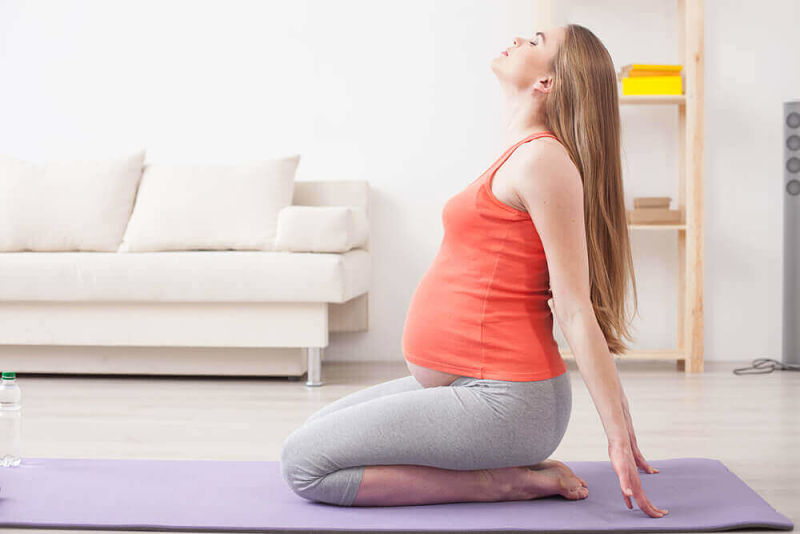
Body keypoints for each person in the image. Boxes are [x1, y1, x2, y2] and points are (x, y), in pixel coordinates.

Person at [280, 23, 669, 519]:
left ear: (547, 81)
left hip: (506, 402)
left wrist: (619, 434)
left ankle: (503, 484)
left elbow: (574, 308)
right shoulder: (520, 155)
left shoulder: (542, 161)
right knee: (311, 436)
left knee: (304, 467)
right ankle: (507, 468)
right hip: (471, 389)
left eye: (535, 42)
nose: (517, 40)